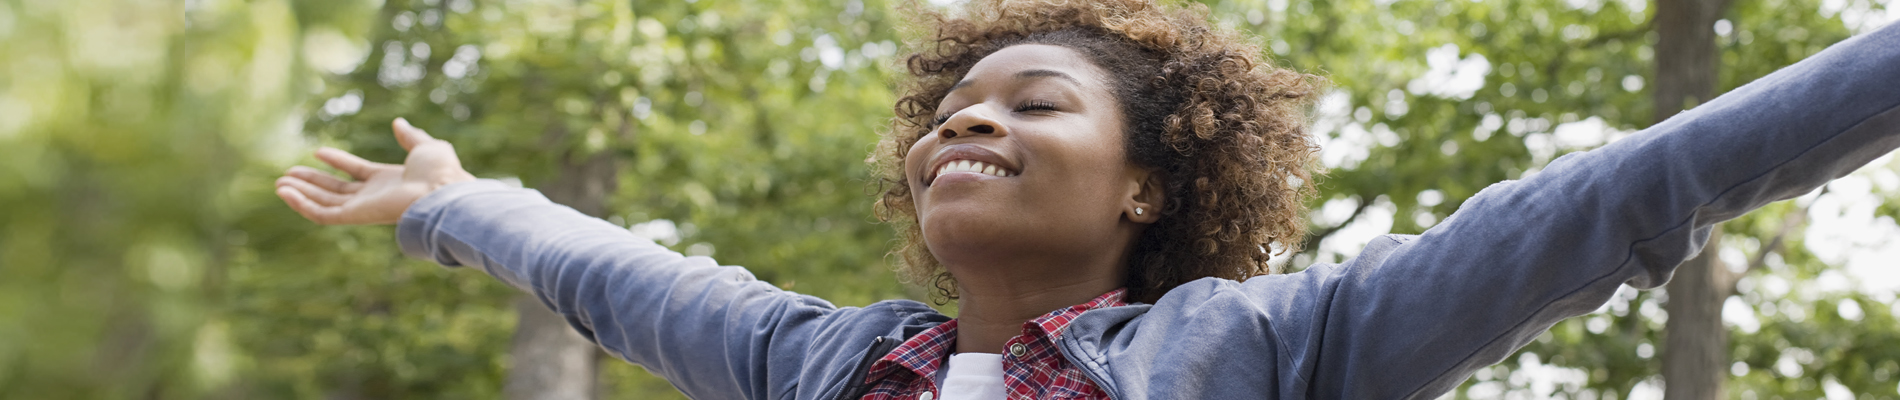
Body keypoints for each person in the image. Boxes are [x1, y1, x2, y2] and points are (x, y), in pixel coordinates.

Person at [273, 0, 1900, 398]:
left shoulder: (1283, 343)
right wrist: (454, 195)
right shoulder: (821, 363)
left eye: (1035, 103)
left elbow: (1633, 189)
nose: (966, 121)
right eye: (956, 109)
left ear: (1146, 184)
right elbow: (615, 270)